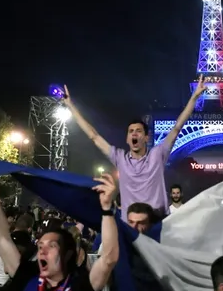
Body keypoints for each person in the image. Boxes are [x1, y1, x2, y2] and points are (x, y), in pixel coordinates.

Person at [0, 157, 119, 291]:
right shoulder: (27, 277)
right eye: (40, 246)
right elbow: (0, 236)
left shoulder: (80, 288)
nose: (42, 251)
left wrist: (107, 209)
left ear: (67, 254)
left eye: (51, 246)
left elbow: (108, 258)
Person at [62, 75, 208, 220]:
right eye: (131, 131)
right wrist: (71, 106)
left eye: (138, 131)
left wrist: (195, 97)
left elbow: (177, 128)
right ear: (127, 139)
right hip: (131, 226)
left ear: (146, 137)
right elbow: (94, 136)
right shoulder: (120, 158)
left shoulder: (157, 155)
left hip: (156, 223)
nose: (134, 133)